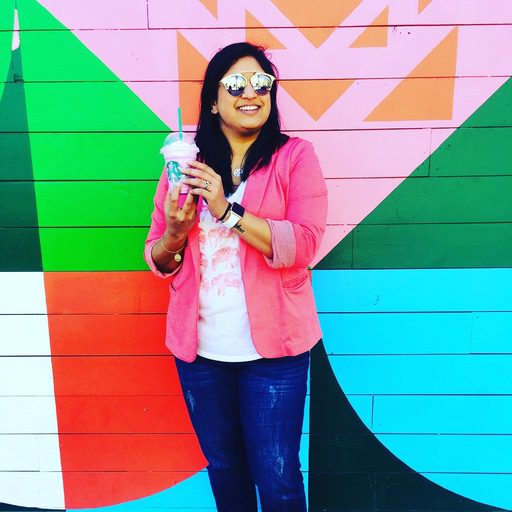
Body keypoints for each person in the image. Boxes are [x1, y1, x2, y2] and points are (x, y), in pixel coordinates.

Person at [144, 42, 328, 512]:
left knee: (278, 476)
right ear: (213, 100)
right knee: (225, 469)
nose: (252, 93)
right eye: (236, 84)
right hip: (201, 352)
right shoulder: (184, 167)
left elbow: (304, 244)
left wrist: (227, 211)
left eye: (262, 83)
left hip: (275, 352)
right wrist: (176, 233)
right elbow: (158, 257)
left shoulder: (294, 157)